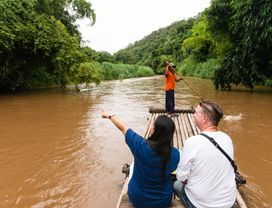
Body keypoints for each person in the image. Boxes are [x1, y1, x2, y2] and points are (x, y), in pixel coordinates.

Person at [100, 110, 180, 208]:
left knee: (134, 164)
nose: (150, 125)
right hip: (162, 201)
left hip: (138, 199)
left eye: (152, 125)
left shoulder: (140, 145)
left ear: (155, 130)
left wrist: (109, 116)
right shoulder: (176, 155)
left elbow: (123, 127)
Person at [174, 101, 236, 208]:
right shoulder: (227, 138)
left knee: (177, 185)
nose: (193, 115)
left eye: (196, 113)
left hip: (202, 205)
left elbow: (181, 176)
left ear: (204, 118)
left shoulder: (192, 142)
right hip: (228, 202)